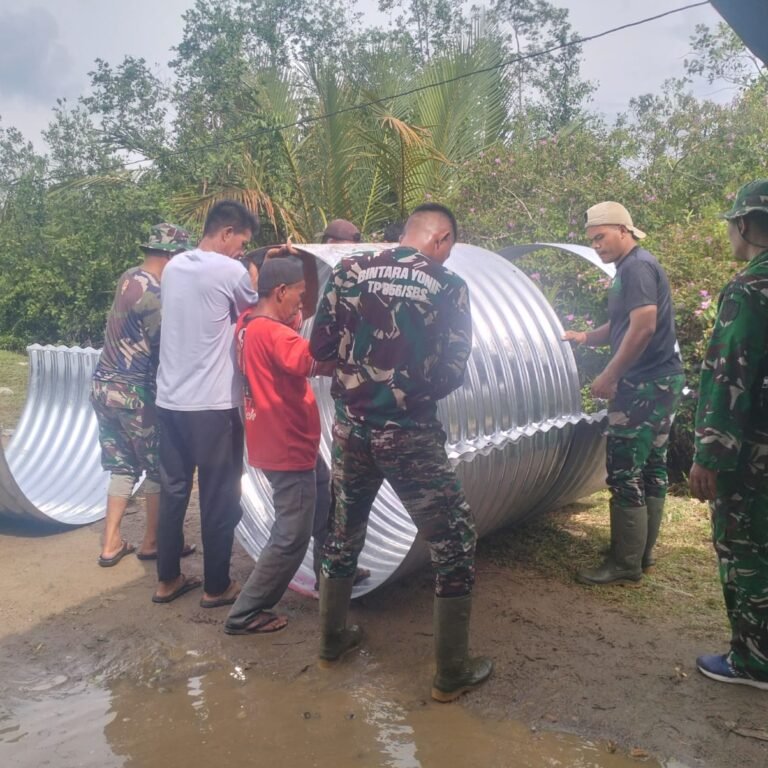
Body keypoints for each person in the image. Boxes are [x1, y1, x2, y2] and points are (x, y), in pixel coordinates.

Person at [309, 202, 492, 702]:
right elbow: (453, 368)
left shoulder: (348, 270)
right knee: (453, 541)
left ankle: (331, 643)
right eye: (450, 246)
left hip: (351, 430)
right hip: (408, 435)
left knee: (343, 531)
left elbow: (320, 347)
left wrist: (356, 382)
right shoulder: (448, 286)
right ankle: (450, 672)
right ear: (441, 239)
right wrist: (408, 393)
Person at [563, 202, 684, 586]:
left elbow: (644, 327)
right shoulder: (634, 267)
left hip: (642, 385)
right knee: (652, 466)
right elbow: (622, 323)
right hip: (661, 381)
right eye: (592, 240)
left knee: (624, 471)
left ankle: (625, 564)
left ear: (623, 230)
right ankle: (640, 554)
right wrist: (585, 337)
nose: (596, 245)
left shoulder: (635, 268)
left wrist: (610, 375)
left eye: (601, 237)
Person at [152, 201, 258, 607]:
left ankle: (167, 580)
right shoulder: (231, 271)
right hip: (213, 406)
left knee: (174, 490)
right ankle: (217, 586)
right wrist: (253, 270)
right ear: (227, 232)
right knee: (218, 495)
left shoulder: (175, 267)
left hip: (171, 401)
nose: (240, 251)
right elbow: (254, 308)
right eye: (241, 243)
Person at [224, 257, 334, 634]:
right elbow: (317, 360)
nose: (302, 308)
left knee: (326, 498)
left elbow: (294, 330)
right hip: (288, 446)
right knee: (292, 536)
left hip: (276, 440)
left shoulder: (247, 324)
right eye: (299, 298)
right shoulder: (275, 336)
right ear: (280, 292)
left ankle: (330, 572)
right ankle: (245, 612)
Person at [689, 180, 768, 690]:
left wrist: (709, 456)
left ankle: (754, 662)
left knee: (747, 549)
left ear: (744, 224)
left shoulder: (749, 289)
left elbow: (729, 375)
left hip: (753, 453)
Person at [91, 222, 197, 567]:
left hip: (103, 386)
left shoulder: (129, 276)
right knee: (157, 468)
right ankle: (153, 541)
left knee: (121, 465)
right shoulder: (157, 292)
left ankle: (110, 544)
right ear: (171, 255)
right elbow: (166, 346)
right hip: (136, 392)